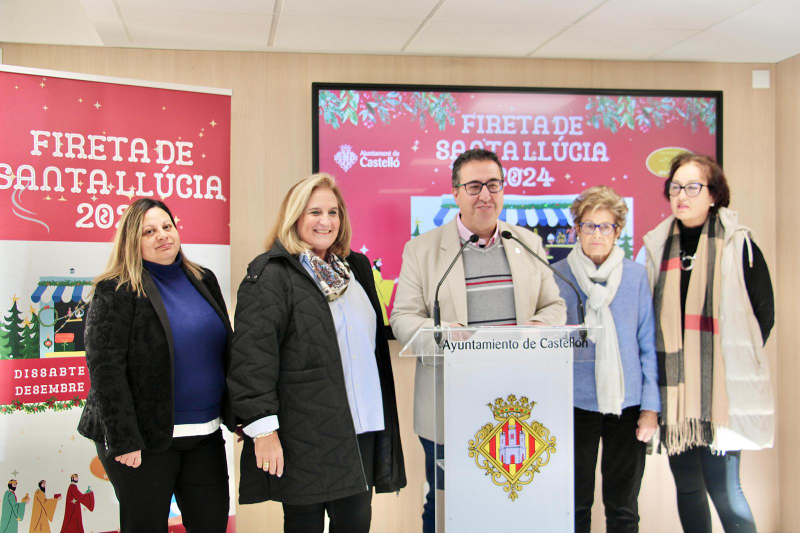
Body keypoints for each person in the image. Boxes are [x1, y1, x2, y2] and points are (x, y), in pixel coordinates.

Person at [390, 148, 566, 533]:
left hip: (518, 407)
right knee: (446, 506)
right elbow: (402, 319)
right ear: (455, 192)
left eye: (493, 185)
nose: (485, 195)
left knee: (509, 504)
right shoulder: (422, 249)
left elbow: (555, 306)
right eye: (474, 186)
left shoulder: (527, 242)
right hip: (448, 405)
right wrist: (441, 335)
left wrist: (539, 326)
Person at [228, 173, 406, 533]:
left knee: (356, 523)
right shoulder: (272, 273)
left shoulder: (357, 267)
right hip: (305, 433)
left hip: (360, 427)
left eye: (333, 212)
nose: (326, 221)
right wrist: (263, 432)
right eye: (314, 212)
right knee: (304, 524)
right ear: (294, 217)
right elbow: (251, 358)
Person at [77, 198, 235, 533]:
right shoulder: (115, 289)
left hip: (204, 436)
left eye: (167, 226)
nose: (162, 235)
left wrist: (242, 415)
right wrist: (123, 439)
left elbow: (226, 350)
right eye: (149, 231)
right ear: (131, 240)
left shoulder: (203, 278)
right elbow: (105, 370)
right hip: (142, 441)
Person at [643, 153, 774, 533]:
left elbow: (762, 316)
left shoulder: (738, 244)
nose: (681, 195)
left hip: (722, 390)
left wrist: (722, 362)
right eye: (675, 187)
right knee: (688, 489)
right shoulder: (656, 246)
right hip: (676, 394)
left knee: (725, 491)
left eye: (692, 187)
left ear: (714, 194)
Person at [550, 186, 659, 533]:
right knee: (573, 505)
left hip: (626, 405)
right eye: (589, 225)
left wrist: (651, 408)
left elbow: (647, 344)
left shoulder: (636, 276)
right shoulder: (557, 275)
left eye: (605, 226)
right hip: (573, 405)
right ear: (576, 229)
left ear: (618, 230)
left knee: (623, 507)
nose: (596, 234)